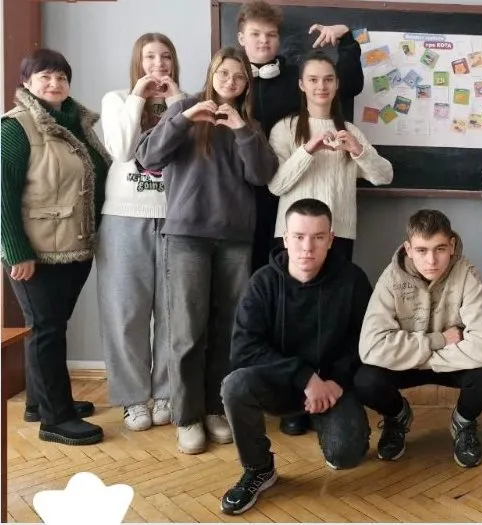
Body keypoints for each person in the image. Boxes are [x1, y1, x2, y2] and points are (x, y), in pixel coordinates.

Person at [135, 46, 278, 455]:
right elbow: (146, 157)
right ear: (212, 73)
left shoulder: (249, 124)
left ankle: (216, 408)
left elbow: (263, 175)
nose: (230, 82)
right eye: (224, 73)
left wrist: (241, 129)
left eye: (239, 76)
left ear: (247, 84)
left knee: (227, 328)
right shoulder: (185, 109)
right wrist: (182, 119)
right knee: (187, 330)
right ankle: (187, 416)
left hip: (235, 239)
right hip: (187, 237)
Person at [220, 199, 372, 516]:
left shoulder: (353, 280)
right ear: (286, 239)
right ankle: (258, 468)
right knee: (235, 385)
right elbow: (244, 349)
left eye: (318, 237)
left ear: (331, 239)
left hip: (330, 387)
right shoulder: (263, 282)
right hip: (279, 384)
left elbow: (363, 341)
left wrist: (334, 382)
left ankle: (323, 421)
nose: (308, 248)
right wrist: (305, 378)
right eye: (299, 237)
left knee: (345, 455)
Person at [1, 49, 110, 446]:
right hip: (37, 251)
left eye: (61, 77)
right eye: (44, 76)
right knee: (47, 329)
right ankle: (56, 418)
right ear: (26, 82)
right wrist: (17, 252)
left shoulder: (75, 123)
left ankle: (40, 401)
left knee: (49, 326)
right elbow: (2, 194)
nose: (54, 83)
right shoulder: (16, 127)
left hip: (71, 245)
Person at [355, 209, 482, 468]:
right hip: (436, 355)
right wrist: (438, 341)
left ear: (452, 246)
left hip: (439, 362)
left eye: (440, 249)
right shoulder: (391, 278)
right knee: (365, 380)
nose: (431, 260)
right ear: (408, 249)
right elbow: (370, 348)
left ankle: (463, 422)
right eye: (422, 250)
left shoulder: (467, 275)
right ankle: (397, 417)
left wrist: (415, 353)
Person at [235, 0, 364, 275]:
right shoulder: (230, 79)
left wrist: (346, 39)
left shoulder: (297, 79)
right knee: (243, 275)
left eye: (271, 34)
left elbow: (349, 83)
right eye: (256, 34)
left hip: (287, 190)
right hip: (239, 192)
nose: (263, 41)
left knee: (284, 273)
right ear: (241, 38)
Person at [98, 33, 186, 432]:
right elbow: (121, 150)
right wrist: (138, 96)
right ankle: (133, 399)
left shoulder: (184, 102)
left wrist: (175, 102)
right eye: (150, 56)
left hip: (176, 217)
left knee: (173, 312)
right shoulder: (117, 99)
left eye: (165, 56)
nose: (158, 64)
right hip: (124, 216)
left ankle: (167, 391)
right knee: (125, 313)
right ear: (138, 61)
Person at [268, 52, 392, 266]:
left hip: (338, 233)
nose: (321, 86)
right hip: (294, 234)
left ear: (337, 84)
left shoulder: (350, 131)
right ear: (301, 85)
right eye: (313, 80)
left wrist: (358, 151)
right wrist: (308, 150)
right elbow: (276, 186)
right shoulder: (284, 128)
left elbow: (385, 176)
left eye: (328, 79)